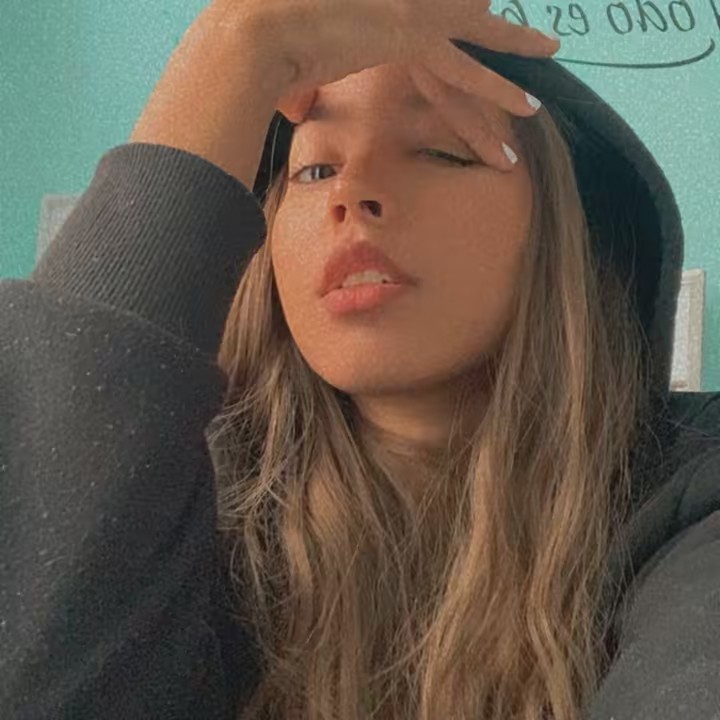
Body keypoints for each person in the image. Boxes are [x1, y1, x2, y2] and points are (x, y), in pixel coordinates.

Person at [1, 1, 719, 719]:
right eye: (315, 169)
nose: (351, 193)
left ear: (578, 234)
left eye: (440, 150)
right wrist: (233, 48)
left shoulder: (691, 499)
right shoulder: (184, 515)